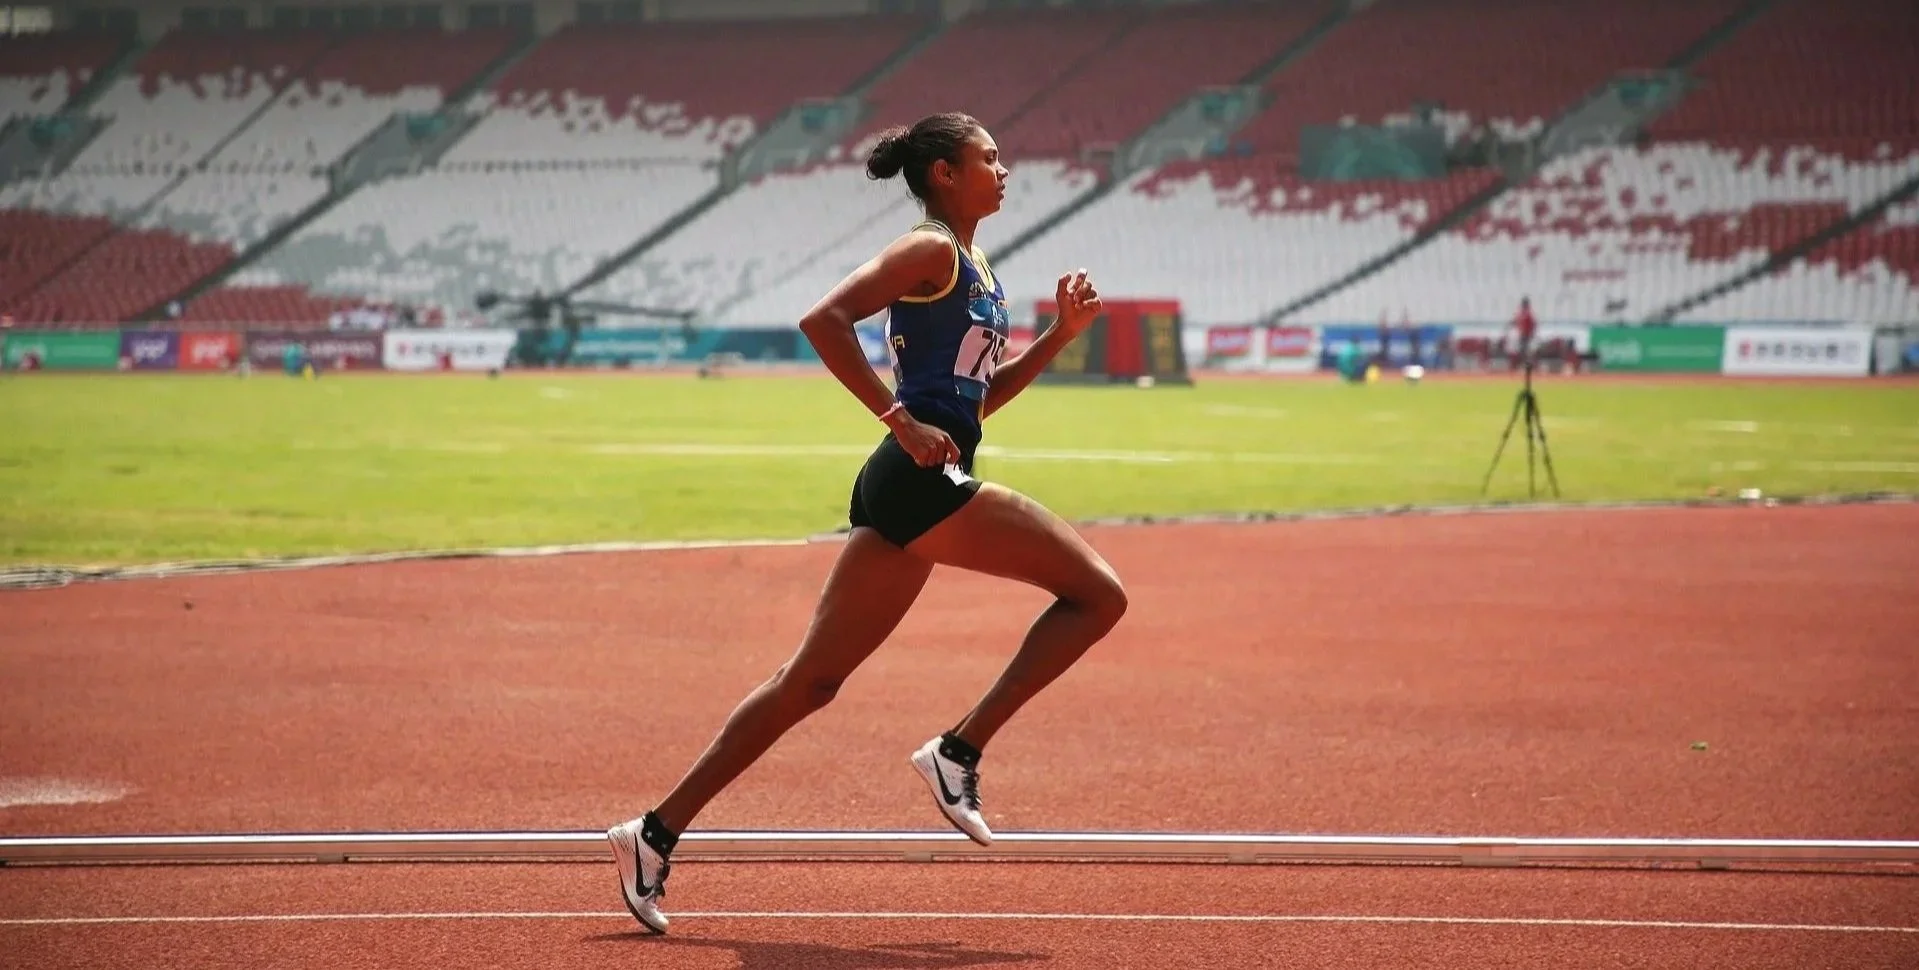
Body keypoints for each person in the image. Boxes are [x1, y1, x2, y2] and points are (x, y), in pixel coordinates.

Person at [604, 111, 1128, 935]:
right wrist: (897, 419)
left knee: (809, 683)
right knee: (1098, 596)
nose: (1004, 171)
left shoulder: (976, 266)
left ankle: (652, 833)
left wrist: (1061, 336)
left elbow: (975, 404)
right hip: (917, 476)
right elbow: (823, 319)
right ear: (945, 173)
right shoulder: (929, 251)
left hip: (911, 478)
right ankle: (958, 750)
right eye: (988, 158)